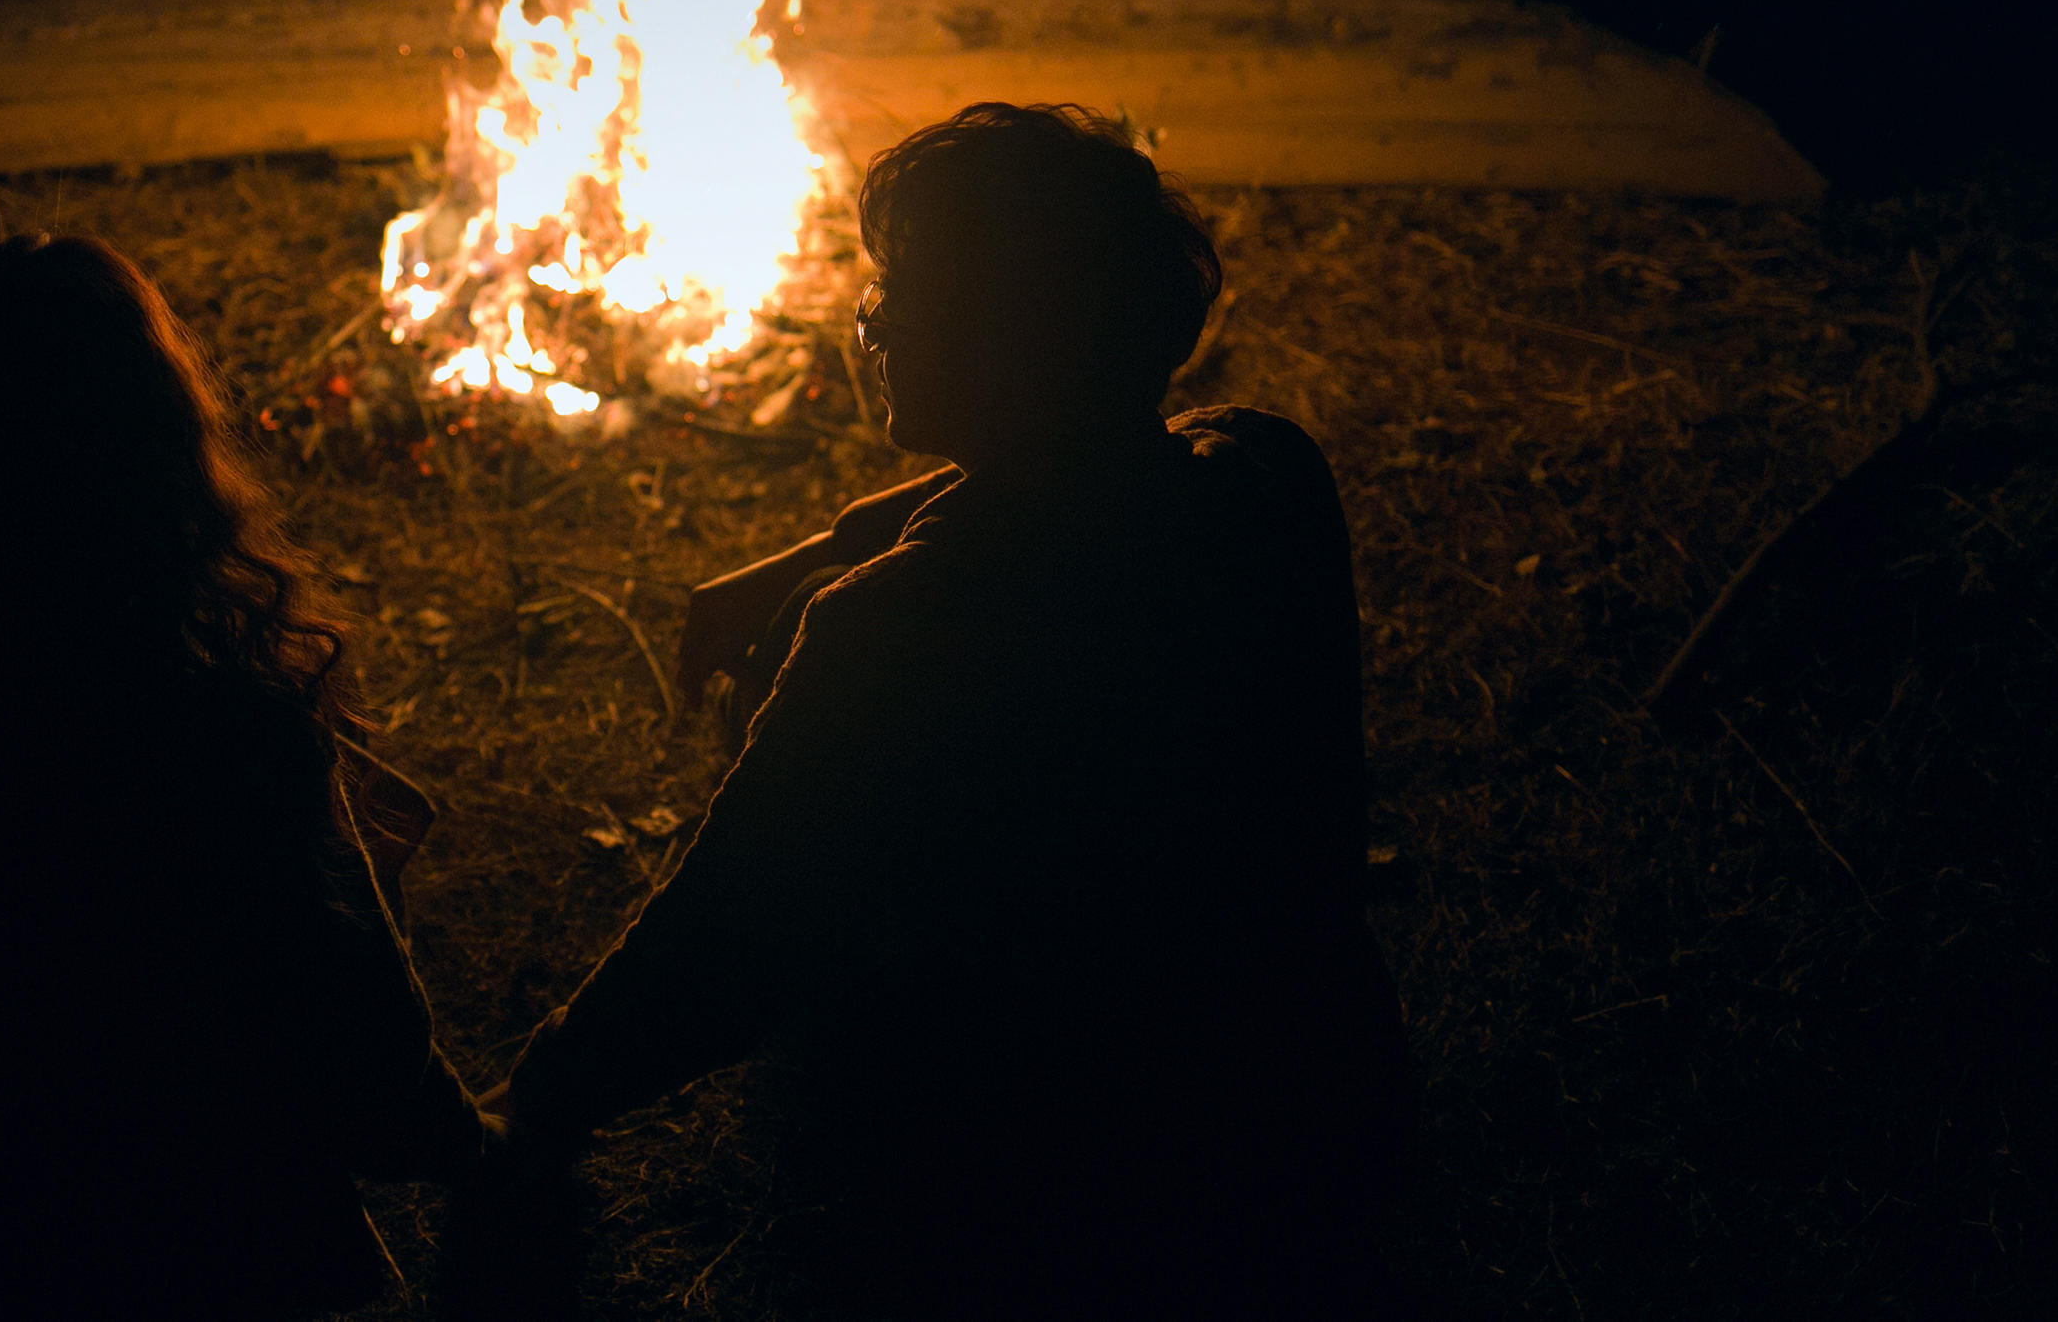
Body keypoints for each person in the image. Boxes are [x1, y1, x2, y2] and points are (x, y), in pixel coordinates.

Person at [462, 104, 1411, 1318]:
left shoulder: (901, 625)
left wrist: (531, 1103)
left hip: (1065, 1190)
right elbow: (1115, 456)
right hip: (1312, 1104)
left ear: (995, 338)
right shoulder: (1270, 484)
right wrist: (830, 538)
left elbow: (727, 930)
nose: (873, 325)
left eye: (900, 296)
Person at [0, 234, 485, 1318]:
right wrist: (474, 1144)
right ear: (154, 450)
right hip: (181, 1241)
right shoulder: (219, 721)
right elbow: (358, 1032)